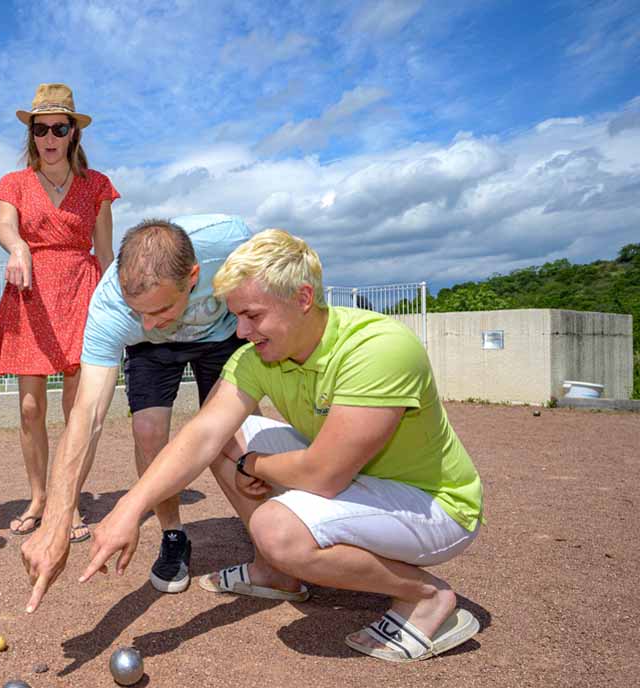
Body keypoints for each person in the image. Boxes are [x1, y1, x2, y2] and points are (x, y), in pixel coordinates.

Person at [78, 229, 484, 662]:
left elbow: (324, 476)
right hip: (359, 483)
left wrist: (253, 464)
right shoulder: (253, 357)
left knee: (277, 529)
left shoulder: (379, 348)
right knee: (222, 437)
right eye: (236, 316)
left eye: (252, 315)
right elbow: (202, 435)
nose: (241, 331)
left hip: (434, 507)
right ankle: (274, 573)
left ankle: (425, 597)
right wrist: (129, 509)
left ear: (303, 298)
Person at [20, 215, 250, 610]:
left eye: (159, 308)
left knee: (234, 437)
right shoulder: (112, 307)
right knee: (147, 431)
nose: (148, 322)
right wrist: (57, 523)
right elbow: (87, 415)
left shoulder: (231, 243)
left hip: (220, 337)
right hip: (150, 351)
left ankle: (265, 533)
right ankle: (173, 534)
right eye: (137, 311)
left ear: (194, 277)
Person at [0, 83, 119, 542]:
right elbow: (6, 228)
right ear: (32, 134)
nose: (49, 136)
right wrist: (19, 247)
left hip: (81, 292)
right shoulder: (12, 184)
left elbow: (105, 252)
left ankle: (69, 499)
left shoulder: (96, 185)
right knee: (29, 408)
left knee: (76, 408)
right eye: (40, 128)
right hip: (30, 291)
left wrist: (114, 307)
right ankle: (40, 496)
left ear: (72, 134)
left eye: (58, 127)